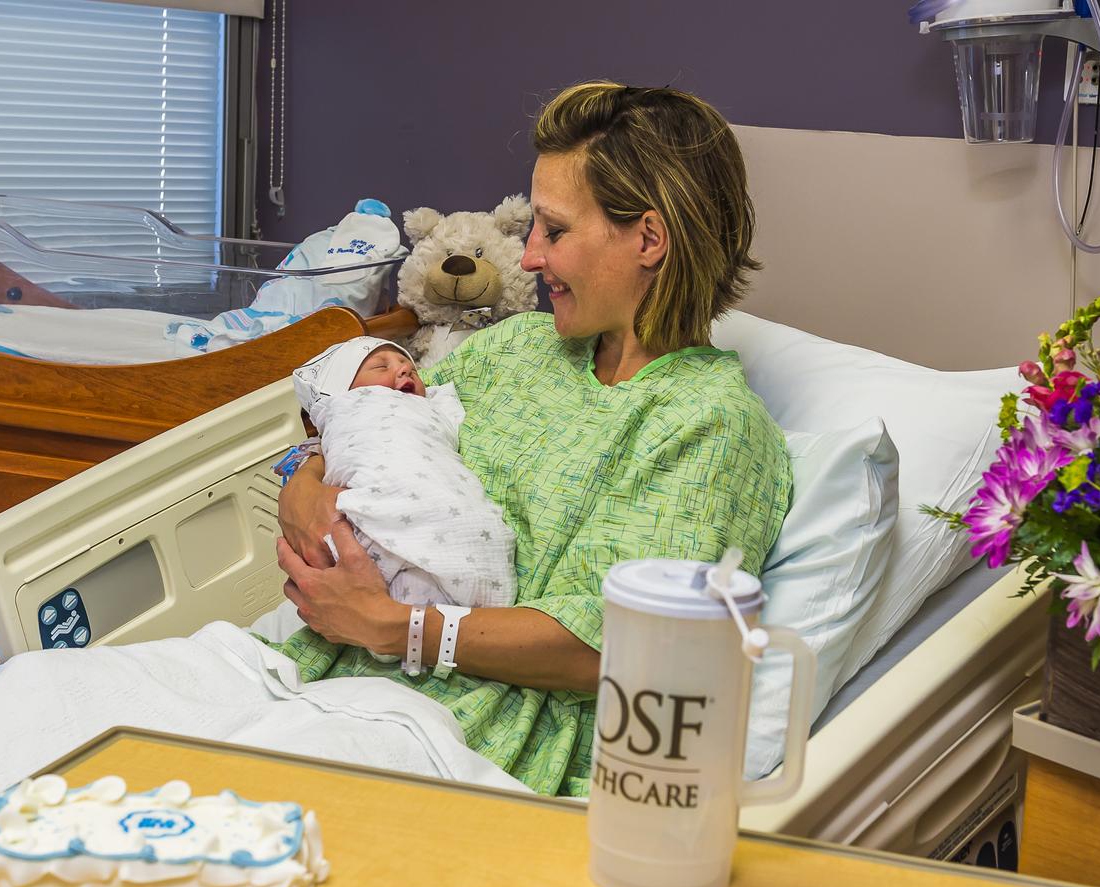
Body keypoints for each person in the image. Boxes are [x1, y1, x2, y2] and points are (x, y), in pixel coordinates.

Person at [273, 81, 792, 797]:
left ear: (648, 238)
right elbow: (386, 425)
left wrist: (393, 627)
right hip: (305, 668)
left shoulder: (711, 429)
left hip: (456, 732)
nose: (528, 259)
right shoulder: (514, 347)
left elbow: (612, 646)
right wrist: (304, 480)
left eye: (554, 230)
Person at [287, 336, 517, 665]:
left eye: (409, 366)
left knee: (458, 519)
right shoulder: (348, 410)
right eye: (382, 366)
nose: (404, 369)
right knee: (373, 553)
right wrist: (306, 474)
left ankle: (413, 621)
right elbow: (330, 442)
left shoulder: (430, 405)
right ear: (341, 392)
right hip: (373, 496)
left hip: (438, 493)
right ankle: (402, 613)